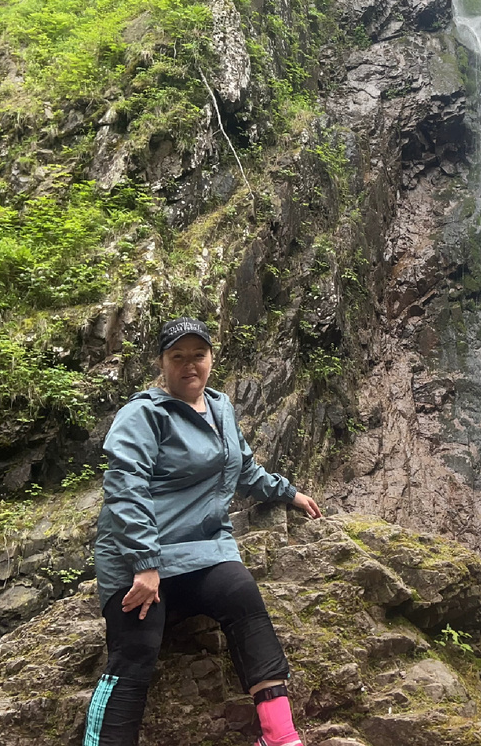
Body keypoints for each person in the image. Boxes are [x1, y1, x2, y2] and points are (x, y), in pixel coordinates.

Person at [84, 317, 323, 746]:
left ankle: (279, 735)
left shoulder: (221, 408)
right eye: (177, 356)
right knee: (135, 652)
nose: (189, 364)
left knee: (243, 595)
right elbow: (125, 488)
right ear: (162, 363)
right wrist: (145, 564)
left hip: (202, 552)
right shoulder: (143, 414)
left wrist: (288, 493)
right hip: (139, 562)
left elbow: (243, 468)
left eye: (198, 354)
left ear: (212, 358)